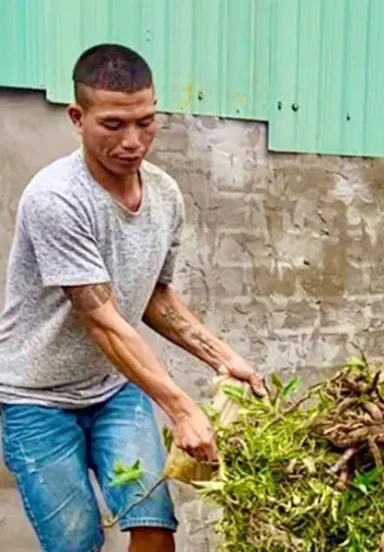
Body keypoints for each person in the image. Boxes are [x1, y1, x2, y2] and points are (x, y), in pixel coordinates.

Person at [0, 43, 266, 552]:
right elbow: (102, 320)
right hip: (38, 400)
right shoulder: (56, 198)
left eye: (146, 121)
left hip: (113, 389)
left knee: (154, 523)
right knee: (76, 542)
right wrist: (182, 408)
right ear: (78, 118)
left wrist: (224, 358)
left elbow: (152, 296)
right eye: (114, 124)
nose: (133, 140)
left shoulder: (164, 194)